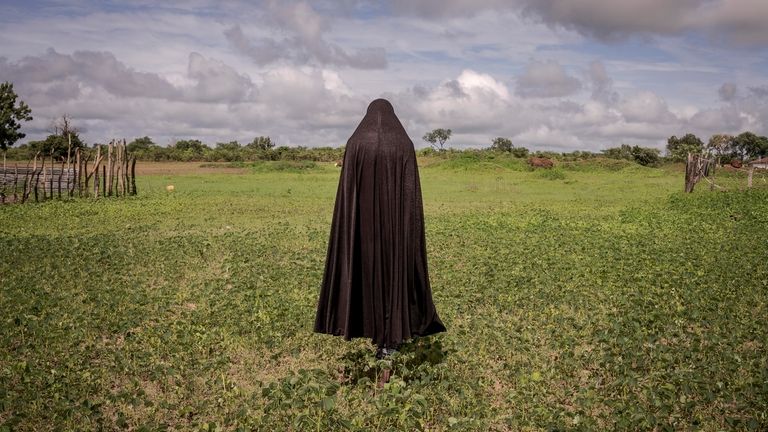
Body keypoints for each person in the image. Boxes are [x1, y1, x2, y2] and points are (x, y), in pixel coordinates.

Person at [314, 99, 446, 383]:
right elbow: (410, 196)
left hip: (363, 231)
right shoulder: (403, 144)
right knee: (394, 274)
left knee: (365, 270)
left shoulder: (356, 143)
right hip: (396, 231)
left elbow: (349, 193)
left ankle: (374, 333)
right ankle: (391, 340)